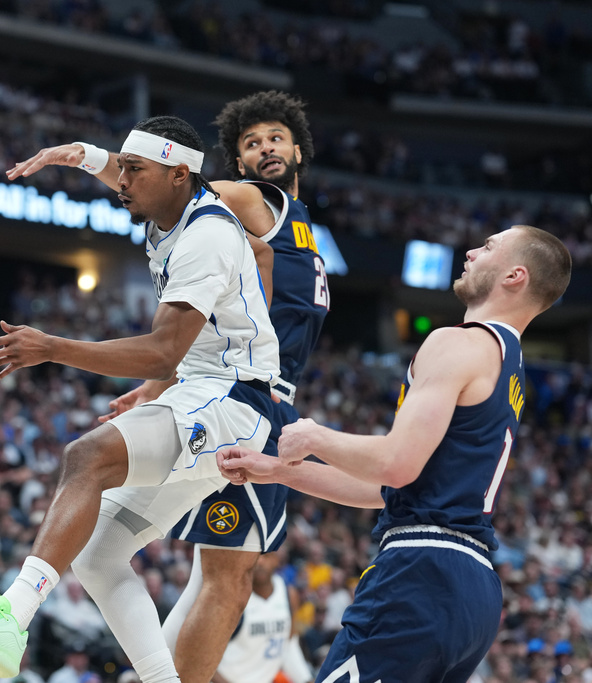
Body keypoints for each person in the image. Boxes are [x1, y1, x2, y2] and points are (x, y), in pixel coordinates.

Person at [0, 115, 281, 682]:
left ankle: (10, 618)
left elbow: (163, 351)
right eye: (123, 170)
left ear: (179, 174)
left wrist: (51, 347)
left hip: (238, 402)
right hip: (208, 395)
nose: (123, 181)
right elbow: (130, 174)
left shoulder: (206, 235)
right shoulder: (172, 208)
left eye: (135, 171)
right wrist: (80, 154)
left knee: (87, 456)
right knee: (96, 553)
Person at [5, 90, 328, 683]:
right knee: (224, 579)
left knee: (211, 576)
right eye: (251, 142)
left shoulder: (289, 231)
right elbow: (157, 180)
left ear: (300, 150)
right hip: (247, 398)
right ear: (228, 161)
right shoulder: (257, 201)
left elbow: (226, 295)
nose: (265, 148)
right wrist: (86, 156)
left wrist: (162, 382)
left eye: (276, 138)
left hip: (227, 390)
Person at [218, 225, 572, 683]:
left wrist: (314, 436)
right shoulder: (509, 365)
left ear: (514, 276)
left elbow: (395, 465)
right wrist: (283, 472)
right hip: (473, 589)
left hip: (421, 572)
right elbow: (389, 487)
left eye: (487, 247)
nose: (469, 251)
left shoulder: (459, 342)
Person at [214, 551, 312, 683]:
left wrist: (306, 679)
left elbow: (288, 645)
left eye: (266, 556)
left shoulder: (289, 594)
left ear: (276, 560)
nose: (260, 562)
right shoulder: (232, 597)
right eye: (254, 557)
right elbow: (203, 656)